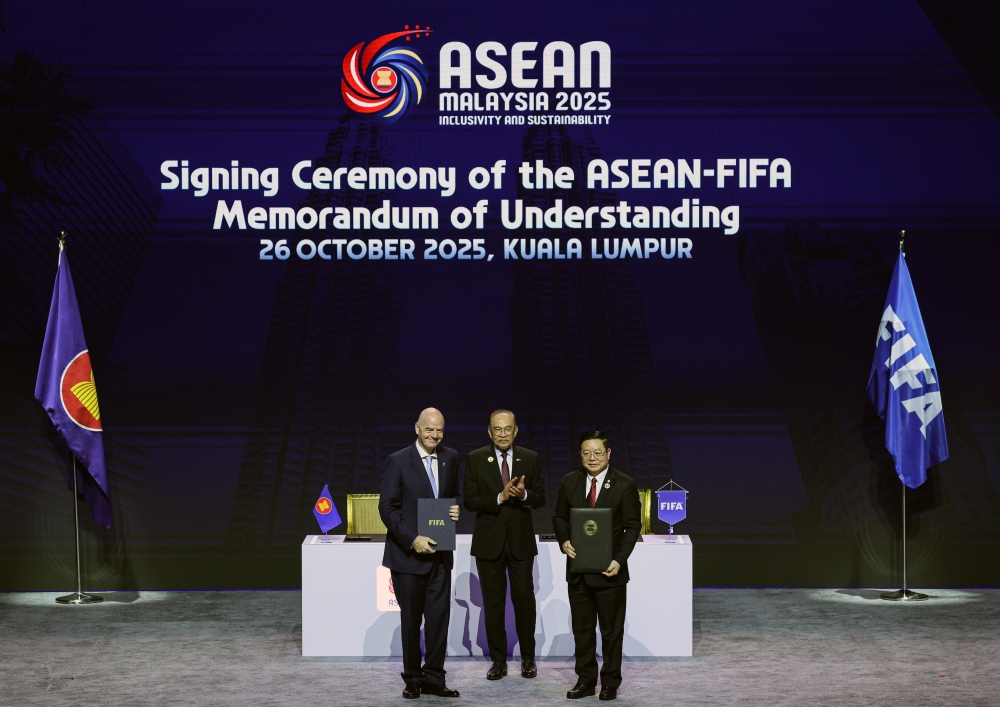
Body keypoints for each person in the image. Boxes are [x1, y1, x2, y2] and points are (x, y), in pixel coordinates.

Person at [379, 408, 462, 699]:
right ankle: (413, 678)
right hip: (408, 557)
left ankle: (435, 679)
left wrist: (455, 508)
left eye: (439, 430)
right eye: (429, 430)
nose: (434, 435)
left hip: (440, 555)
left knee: (439, 621)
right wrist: (411, 539)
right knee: (412, 622)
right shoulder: (398, 461)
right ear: (417, 428)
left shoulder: (450, 457)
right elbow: (387, 508)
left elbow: (455, 495)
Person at [552, 431, 641, 701]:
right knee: (582, 631)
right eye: (586, 453)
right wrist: (564, 541)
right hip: (578, 572)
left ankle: (610, 682)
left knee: (611, 632)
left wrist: (619, 559)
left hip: (610, 572)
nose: (592, 458)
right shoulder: (570, 481)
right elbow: (559, 517)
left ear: (609, 453)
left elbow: (632, 526)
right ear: (580, 454)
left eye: (597, 453)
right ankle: (586, 680)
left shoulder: (624, 484)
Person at [464, 409, 546, 680]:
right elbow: (470, 501)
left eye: (507, 428)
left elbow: (541, 498)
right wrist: (499, 497)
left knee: (524, 601)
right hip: (489, 544)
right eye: (497, 429)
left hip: (521, 543)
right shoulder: (475, 459)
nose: (502, 433)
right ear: (489, 432)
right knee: (493, 603)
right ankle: (498, 660)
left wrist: (524, 494)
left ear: (516, 430)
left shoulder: (530, 458)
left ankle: (528, 658)